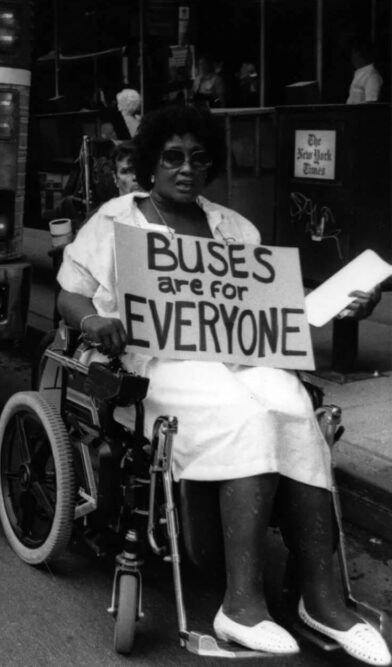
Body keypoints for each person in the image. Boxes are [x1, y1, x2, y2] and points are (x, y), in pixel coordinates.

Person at [57, 106, 389, 664]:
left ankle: (324, 600)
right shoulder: (119, 219)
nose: (186, 168)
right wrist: (93, 321)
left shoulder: (236, 227)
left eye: (199, 158)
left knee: (291, 406)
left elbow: (273, 311)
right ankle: (241, 603)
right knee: (246, 414)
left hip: (236, 355)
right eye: (173, 157)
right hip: (156, 359)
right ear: (151, 162)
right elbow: (71, 293)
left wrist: (346, 304)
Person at [347, 39, 383, 104]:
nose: (351, 57)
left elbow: (371, 104)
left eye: (353, 53)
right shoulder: (359, 73)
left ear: (358, 54)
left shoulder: (372, 76)